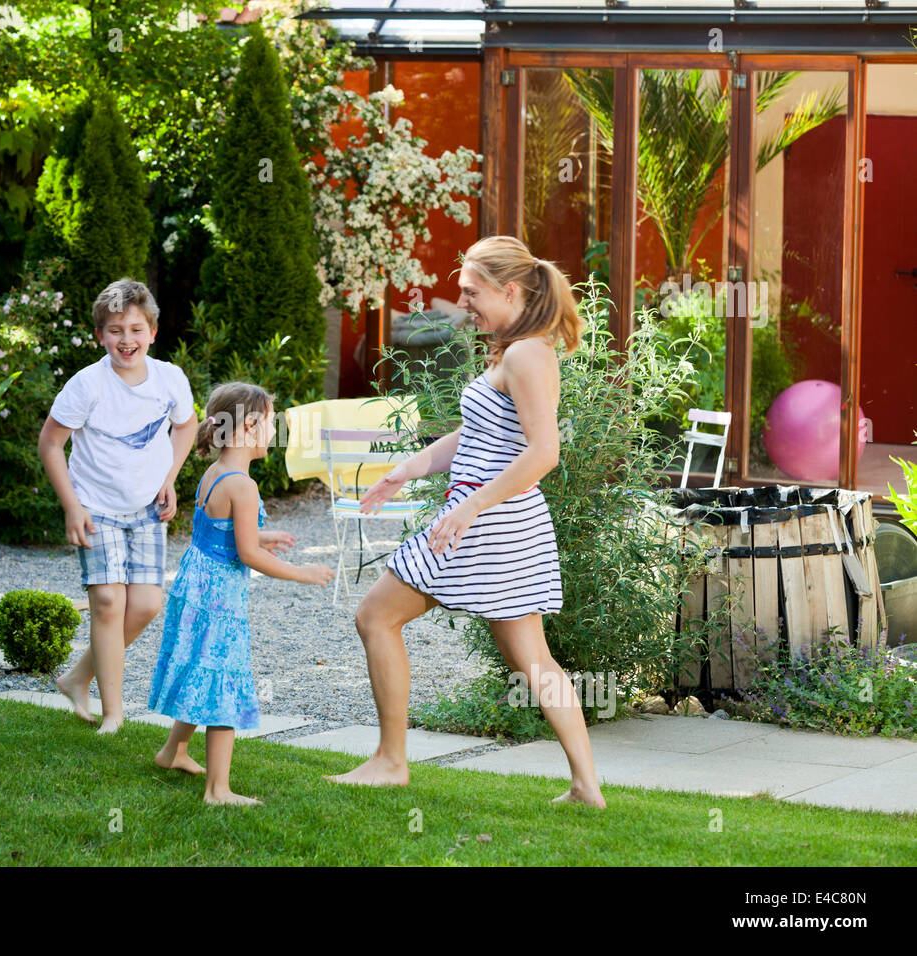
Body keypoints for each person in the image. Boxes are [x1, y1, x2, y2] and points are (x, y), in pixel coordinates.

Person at [327, 235, 605, 808]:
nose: (463, 303)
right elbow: (478, 435)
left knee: (376, 616)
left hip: (483, 521)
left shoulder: (528, 354)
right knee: (532, 659)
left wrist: (471, 505)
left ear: (509, 290)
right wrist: (405, 470)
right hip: (495, 521)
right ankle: (586, 785)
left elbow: (544, 451)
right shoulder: (513, 350)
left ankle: (390, 761)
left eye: (471, 292)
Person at [149, 383, 333, 804]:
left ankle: (173, 750)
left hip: (196, 585)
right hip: (217, 598)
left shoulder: (215, 473)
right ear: (249, 426)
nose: (274, 431)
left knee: (201, 666)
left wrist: (261, 535)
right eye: (270, 422)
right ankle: (218, 790)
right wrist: (300, 572)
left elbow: (220, 533)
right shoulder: (243, 486)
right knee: (221, 678)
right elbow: (246, 554)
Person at [39, 279, 199, 734]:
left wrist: (170, 478)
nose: (125, 340)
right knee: (108, 601)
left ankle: (77, 677)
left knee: (146, 604)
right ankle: (113, 712)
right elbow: (50, 445)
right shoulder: (86, 385)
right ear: (99, 336)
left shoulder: (170, 379)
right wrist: (72, 506)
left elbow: (186, 427)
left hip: (148, 509)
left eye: (134, 329)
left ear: (152, 332)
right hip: (96, 505)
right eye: (114, 330)